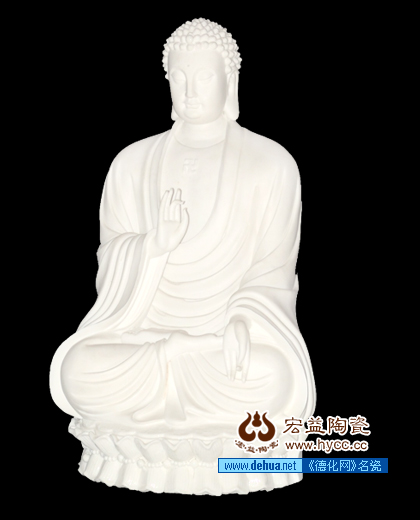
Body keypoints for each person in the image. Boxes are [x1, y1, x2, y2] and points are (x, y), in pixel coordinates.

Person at [50, 18, 316, 494]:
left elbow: (273, 273)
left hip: (220, 348)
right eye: (179, 77)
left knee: (273, 378)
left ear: (230, 80)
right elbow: (109, 266)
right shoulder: (132, 164)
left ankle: (180, 384)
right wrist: (154, 246)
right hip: (145, 337)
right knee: (77, 372)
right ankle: (172, 370)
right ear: (167, 79)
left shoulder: (272, 164)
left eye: (205, 76)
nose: (191, 91)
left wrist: (244, 322)